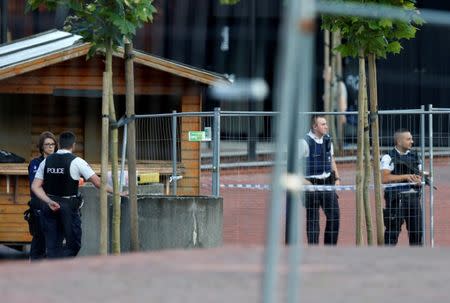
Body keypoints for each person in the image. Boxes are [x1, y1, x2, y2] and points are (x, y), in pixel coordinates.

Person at [31, 131, 115, 258]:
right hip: (68, 208)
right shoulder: (77, 161)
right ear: (73, 145)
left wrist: (48, 201)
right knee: (74, 244)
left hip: (49, 207)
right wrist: (118, 192)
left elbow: (35, 186)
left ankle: (54, 269)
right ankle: (61, 267)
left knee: (53, 247)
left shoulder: (46, 161)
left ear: (58, 144)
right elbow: (98, 183)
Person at [301, 115, 341, 245]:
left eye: (326, 124)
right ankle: (313, 250)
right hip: (311, 185)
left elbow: (331, 159)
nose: (326, 126)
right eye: (323, 124)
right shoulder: (304, 142)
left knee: (334, 217)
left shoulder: (328, 140)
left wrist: (337, 178)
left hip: (327, 183)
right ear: (314, 127)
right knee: (313, 219)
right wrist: (305, 182)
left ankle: (330, 248)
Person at [381, 129, 423, 246]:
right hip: (395, 199)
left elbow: (420, 175)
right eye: (408, 139)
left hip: (413, 198)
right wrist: (406, 176)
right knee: (392, 233)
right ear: (399, 141)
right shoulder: (388, 157)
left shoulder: (415, 156)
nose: (412, 142)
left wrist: (420, 179)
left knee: (417, 233)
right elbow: (384, 178)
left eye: (411, 138)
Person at [28, 131, 57, 260]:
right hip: (39, 204)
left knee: (54, 239)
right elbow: (35, 185)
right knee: (39, 239)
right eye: (47, 144)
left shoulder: (59, 162)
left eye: (52, 144)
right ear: (41, 147)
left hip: (55, 204)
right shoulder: (35, 163)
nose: (50, 147)